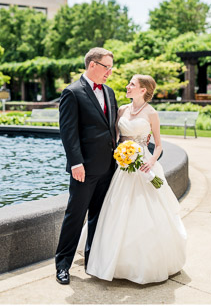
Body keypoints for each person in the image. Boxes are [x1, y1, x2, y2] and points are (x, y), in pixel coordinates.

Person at [85, 74, 187, 284]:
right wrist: (120, 154)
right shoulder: (122, 109)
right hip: (122, 166)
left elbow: (158, 145)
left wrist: (151, 161)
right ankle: (111, 259)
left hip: (144, 164)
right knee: (117, 208)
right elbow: (114, 137)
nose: (127, 86)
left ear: (143, 90)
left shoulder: (152, 113)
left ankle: (146, 263)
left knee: (147, 209)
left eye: (132, 84)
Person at [54, 47, 119, 285]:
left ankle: (93, 260)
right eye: (106, 67)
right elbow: (68, 133)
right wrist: (75, 163)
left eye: (111, 68)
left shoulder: (110, 93)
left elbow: (111, 128)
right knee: (75, 216)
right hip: (84, 169)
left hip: (108, 168)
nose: (109, 72)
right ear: (92, 65)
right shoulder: (72, 93)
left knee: (98, 218)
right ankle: (62, 265)